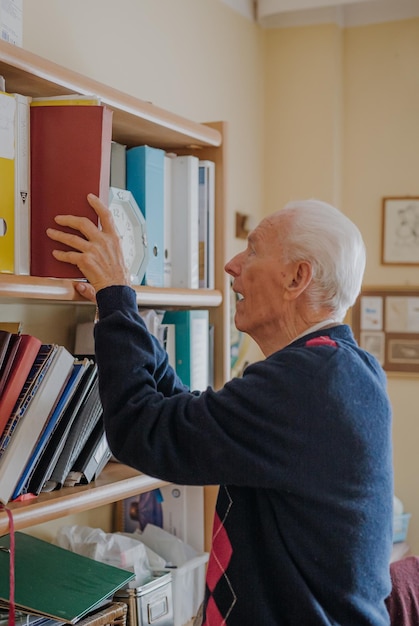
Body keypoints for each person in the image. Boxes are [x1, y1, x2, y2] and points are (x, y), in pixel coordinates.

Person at [47, 195, 393, 626]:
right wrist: (120, 306)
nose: (231, 264)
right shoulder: (336, 368)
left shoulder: (307, 382)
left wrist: (117, 296)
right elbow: (184, 416)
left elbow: (144, 430)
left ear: (297, 278)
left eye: (252, 251)